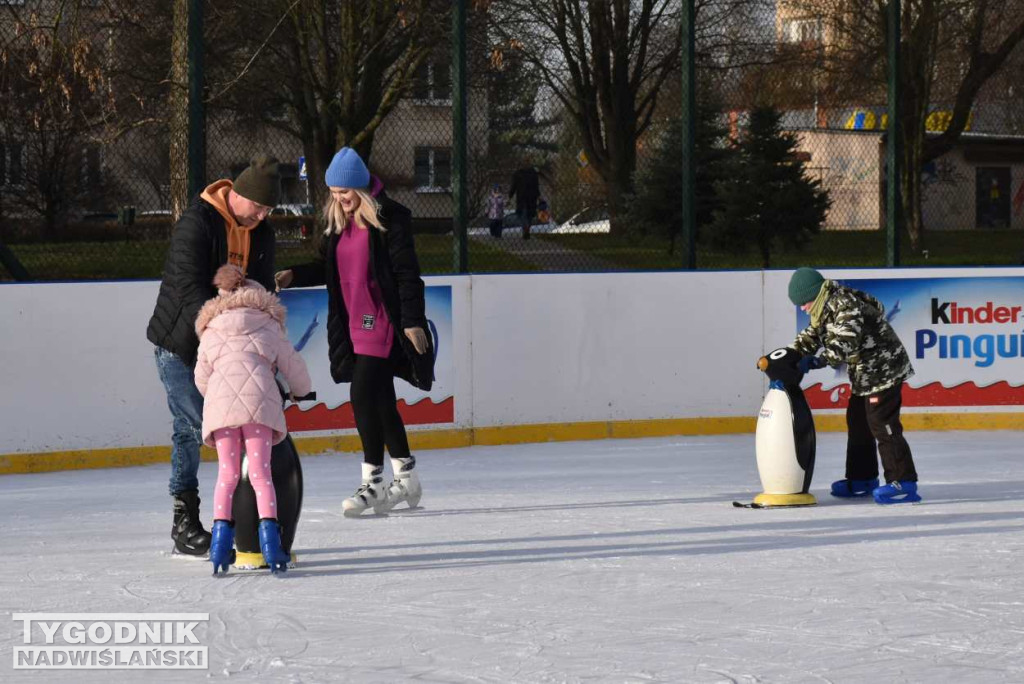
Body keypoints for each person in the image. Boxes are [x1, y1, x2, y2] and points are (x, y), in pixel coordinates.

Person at [274, 147, 434, 517]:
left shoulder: (390, 220)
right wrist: (294, 275)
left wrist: (411, 320)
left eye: (344, 193)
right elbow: (327, 267)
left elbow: (408, 274)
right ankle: (406, 475)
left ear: (360, 189)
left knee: (362, 394)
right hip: (353, 322)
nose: (339, 200)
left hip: (379, 320)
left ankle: (374, 483)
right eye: (333, 193)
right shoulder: (338, 225)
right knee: (380, 400)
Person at [146, 155, 282, 556]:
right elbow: (188, 291)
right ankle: (186, 520)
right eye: (256, 206)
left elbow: (261, 294)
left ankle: (243, 519)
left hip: (232, 351)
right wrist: (221, 338)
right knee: (195, 428)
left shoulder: (263, 234)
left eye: (268, 209)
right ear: (237, 194)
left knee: (231, 429)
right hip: (181, 345)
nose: (260, 215)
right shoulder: (197, 223)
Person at [194, 264, 312, 574]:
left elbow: (200, 377)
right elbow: (293, 364)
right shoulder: (268, 324)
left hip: (221, 412)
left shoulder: (211, 328)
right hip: (260, 405)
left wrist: (218, 394)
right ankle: (272, 546)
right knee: (261, 475)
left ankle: (220, 547)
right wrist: (302, 391)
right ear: (257, 296)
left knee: (227, 475)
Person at [787, 267, 921, 504]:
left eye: (804, 302)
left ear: (815, 294)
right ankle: (863, 478)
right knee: (858, 422)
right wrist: (789, 356)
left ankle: (904, 481)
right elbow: (812, 335)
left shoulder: (844, 305)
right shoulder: (823, 307)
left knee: (882, 424)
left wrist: (819, 360)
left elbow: (846, 340)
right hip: (865, 374)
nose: (802, 308)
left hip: (885, 370)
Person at [509, 166, 540, 240]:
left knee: (524, 215)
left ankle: (525, 229)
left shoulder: (518, 174)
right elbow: (536, 186)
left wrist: (510, 196)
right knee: (528, 215)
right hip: (530, 198)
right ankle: (526, 229)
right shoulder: (533, 173)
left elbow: (514, 186)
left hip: (523, 198)